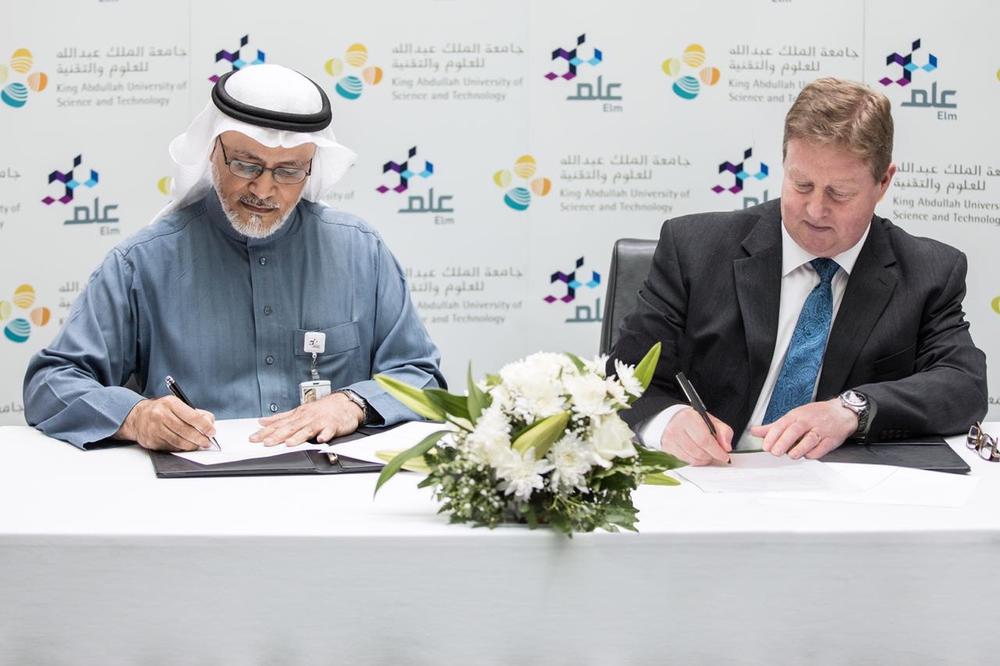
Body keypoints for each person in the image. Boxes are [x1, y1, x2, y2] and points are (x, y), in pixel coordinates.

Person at [23, 64, 445, 451]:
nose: (264, 190)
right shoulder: (143, 262)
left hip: (335, 488)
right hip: (197, 497)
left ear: (312, 168)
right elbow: (51, 383)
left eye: (288, 171)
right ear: (213, 152)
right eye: (246, 165)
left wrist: (353, 403)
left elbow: (421, 374)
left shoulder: (360, 251)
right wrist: (135, 417)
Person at [609, 77, 987, 466]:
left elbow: (965, 385)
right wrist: (667, 420)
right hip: (711, 480)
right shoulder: (695, 247)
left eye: (840, 193)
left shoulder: (928, 272)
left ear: (883, 182)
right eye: (801, 184)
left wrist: (850, 410)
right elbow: (623, 376)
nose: (815, 210)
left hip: (841, 498)